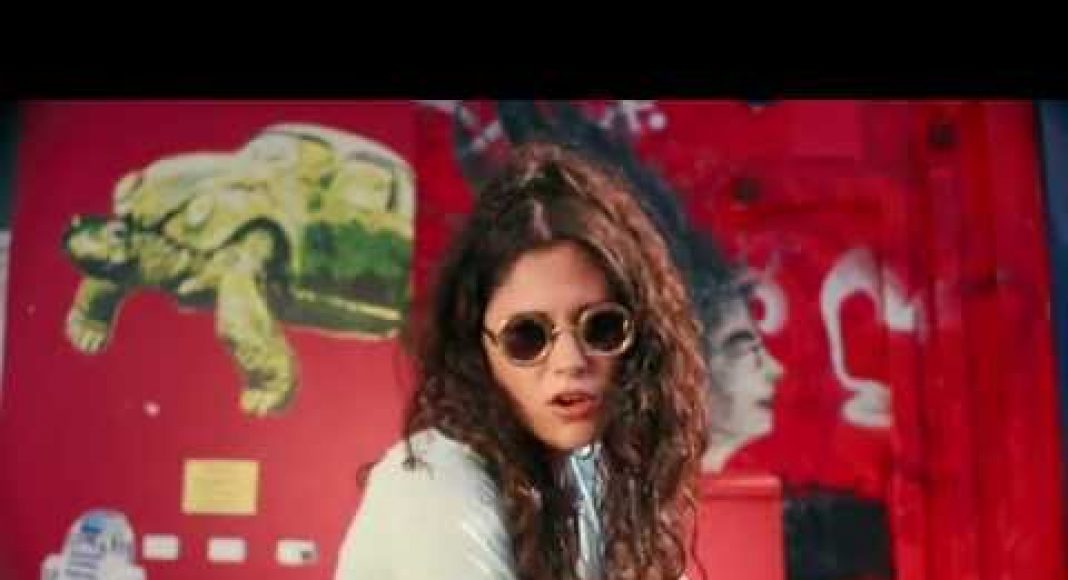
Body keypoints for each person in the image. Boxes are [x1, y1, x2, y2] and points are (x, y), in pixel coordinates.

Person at [335, 142, 709, 580]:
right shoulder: (434, 482)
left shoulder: (589, 474)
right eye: (527, 337)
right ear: (478, 349)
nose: (570, 361)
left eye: (601, 328)